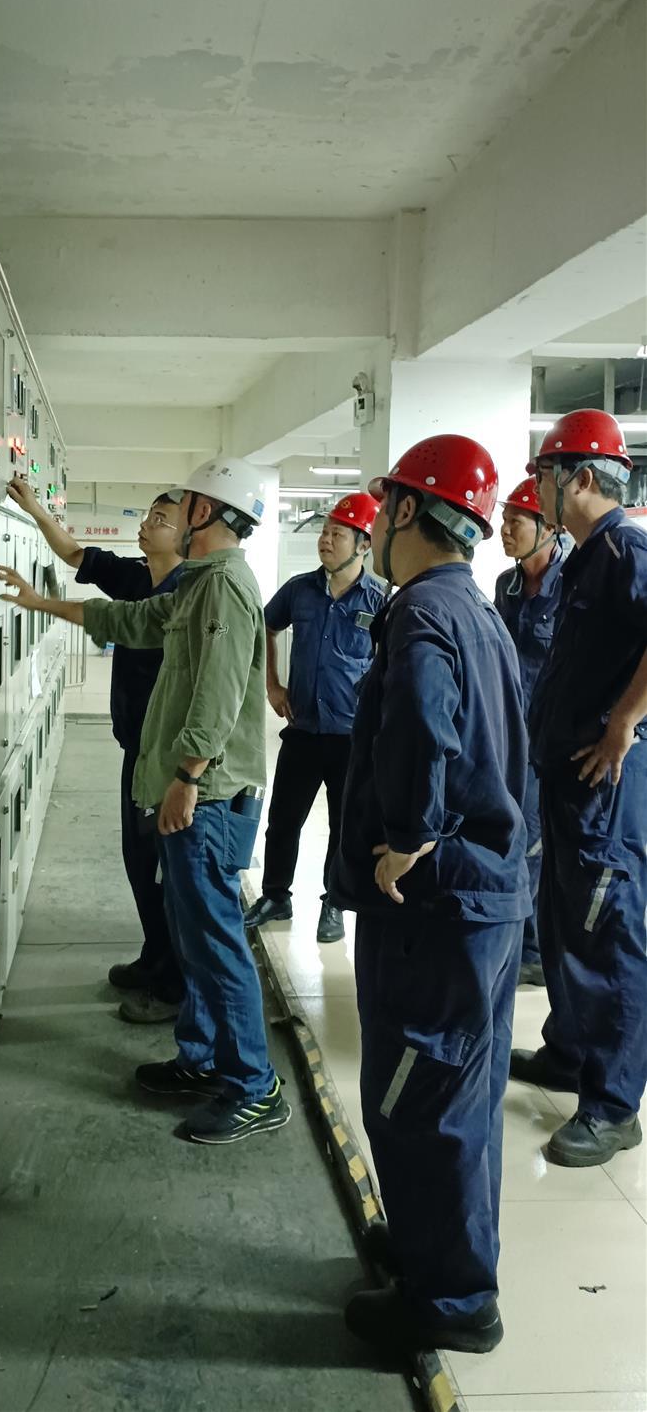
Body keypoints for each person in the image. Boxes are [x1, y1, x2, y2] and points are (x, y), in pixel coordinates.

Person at [0, 456, 291, 1147]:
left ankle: (255, 1087)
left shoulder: (226, 587)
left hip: (209, 798)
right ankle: (202, 1059)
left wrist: (186, 776)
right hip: (190, 792)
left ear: (203, 512)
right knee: (191, 937)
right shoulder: (198, 583)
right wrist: (42, 604)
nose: (172, 513)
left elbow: (218, 694)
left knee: (216, 942)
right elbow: (130, 620)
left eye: (181, 504)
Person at [329, 434, 530, 1357]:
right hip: (486, 897)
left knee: (420, 1093)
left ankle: (451, 1299)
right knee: (462, 1093)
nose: (373, 526)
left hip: (437, 907)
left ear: (408, 509)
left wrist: (408, 837)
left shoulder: (418, 615)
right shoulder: (476, 609)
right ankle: (433, 1251)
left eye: (384, 506)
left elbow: (421, 721)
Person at [509, 410, 647, 1169]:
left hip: (605, 786)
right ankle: (568, 1050)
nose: (537, 489)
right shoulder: (586, 558)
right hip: (564, 777)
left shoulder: (627, 549)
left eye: (545, 475)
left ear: (582, 478)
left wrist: (625, 720)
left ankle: (614, 1105)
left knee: (607, 933)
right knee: (563, 920)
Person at [5, 476, 185, 1022]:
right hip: (137, 747)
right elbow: (74, 553)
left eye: (160, 520)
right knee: (139, 862)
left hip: (168, 757)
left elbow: (113, 620)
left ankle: (174, 986)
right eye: (148, 515)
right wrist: (35, 508)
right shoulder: (136, 576)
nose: (146, 525)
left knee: (165, 870)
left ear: (187, 534)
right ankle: (154, 957)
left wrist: (41, 603)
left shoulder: (186, 593)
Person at [243, 493, 385, 943]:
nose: (325, 540)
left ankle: (334, 903)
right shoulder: (299, 590)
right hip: (303, 730)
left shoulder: (380, 600)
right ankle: (275, 896)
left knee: (343, 827)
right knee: (284, 820)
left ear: (363, 544)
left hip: (351, 738)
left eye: (337, 534)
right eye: (324, 533)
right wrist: (272, 684)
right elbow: (265, 626)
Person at [494, 479, 567, 987]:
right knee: (511, 837)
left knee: (535, 846)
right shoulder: (506, 585)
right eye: (503, 521)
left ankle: (533, 950)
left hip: (550, 743)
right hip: (508, 738)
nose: (504, 531)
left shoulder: (573, 585)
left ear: (547, 527)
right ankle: (518, 940)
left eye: (515, 522)